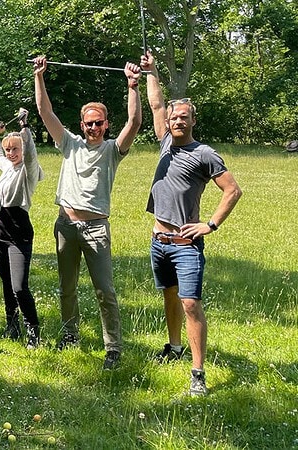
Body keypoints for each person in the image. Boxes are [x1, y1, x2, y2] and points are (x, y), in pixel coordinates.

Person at [141, 52, 242, 395]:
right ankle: (174, 347)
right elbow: (156, 105)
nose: (177, 121)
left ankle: (198, 373)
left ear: (193, 120)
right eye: (174, 117)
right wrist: (151, 71)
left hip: (186, 244)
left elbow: (232, 190)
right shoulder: (165, 143)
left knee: (190, 303)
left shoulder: (204, 154)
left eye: (184, 117)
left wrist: (209, 225)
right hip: (159, 241)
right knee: (169, 295)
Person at [32, 55, 142, 370]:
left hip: (96, 230)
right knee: (66, 288)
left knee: (105, 291)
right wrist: (39, 76)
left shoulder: (112, 150)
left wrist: (132, 86)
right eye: (89, 123)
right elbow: (45, 112)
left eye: (99, 123)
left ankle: (113, 349)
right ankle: (70, 336)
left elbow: (134, 123)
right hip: (66, 225)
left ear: (106, 125)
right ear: (82, 125)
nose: (94, 127)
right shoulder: (70, 144)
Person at [0, 109, 44, 349]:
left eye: (15, 149)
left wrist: (25, 128)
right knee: (6, 281)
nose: (11, 153)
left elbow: (31, 156)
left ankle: (33, 330)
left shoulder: (28, 171)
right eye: (8, 149)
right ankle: (12, 325)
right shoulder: (8, 167)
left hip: (18, 230)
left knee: (19, 286)